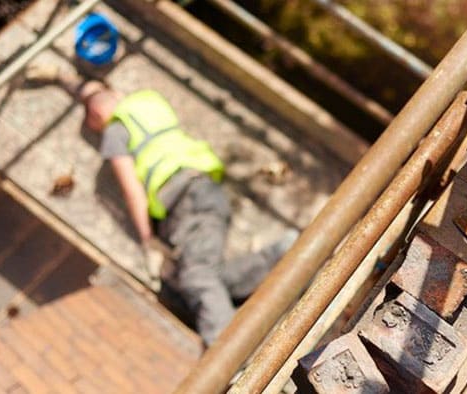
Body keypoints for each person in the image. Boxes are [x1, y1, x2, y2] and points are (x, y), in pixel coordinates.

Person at [28, 68, 296, 345]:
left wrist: (148, 241)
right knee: (203, 278)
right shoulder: (147, 101)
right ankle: (282, 253)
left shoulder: (116, 131)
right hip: (205, 192)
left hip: (186, 201)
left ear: (95, 118)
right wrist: (62, 76)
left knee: (197, 277)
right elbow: (96, 94)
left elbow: (132, 189)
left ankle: (230, 353)